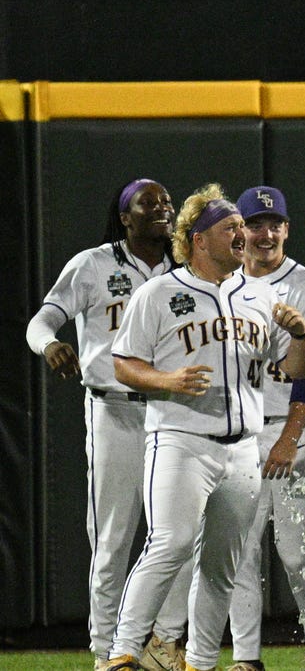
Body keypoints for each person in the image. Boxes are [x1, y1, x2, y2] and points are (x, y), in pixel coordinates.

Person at [102, 183, 305, 671]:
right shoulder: (159, 292)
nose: (242, 236)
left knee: (223, 566)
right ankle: (122, 652)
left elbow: (300, 369)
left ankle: (200, 661)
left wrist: (301, 334)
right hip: (181, 441)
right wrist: (166, 378)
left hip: (243, 448)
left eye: (242, 228)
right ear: (199, 239)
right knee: (170, 544)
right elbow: (123, 364)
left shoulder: (260, 295)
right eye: (231, 228)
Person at [25, 178, 191, 671]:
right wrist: (49, 345)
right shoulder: (93, 264)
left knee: (178, 535)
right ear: (125, 217)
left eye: (166, 201)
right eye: (149, 202)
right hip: (114, 409)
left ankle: (163, 644)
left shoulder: (184, 270)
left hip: (172, 412)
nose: (162, 207)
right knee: (114, 538)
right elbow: (41, 321)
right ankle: (107, 654)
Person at [226, 186, 305, 671]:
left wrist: (289, 439)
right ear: (239, 231)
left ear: (287, 229)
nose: (265, 233)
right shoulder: (223, 286)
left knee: (296, 556)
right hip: (240, 434)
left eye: (274, 224)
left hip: (296, 433)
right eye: (255, 224)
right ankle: (246, 658)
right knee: (240, 553)